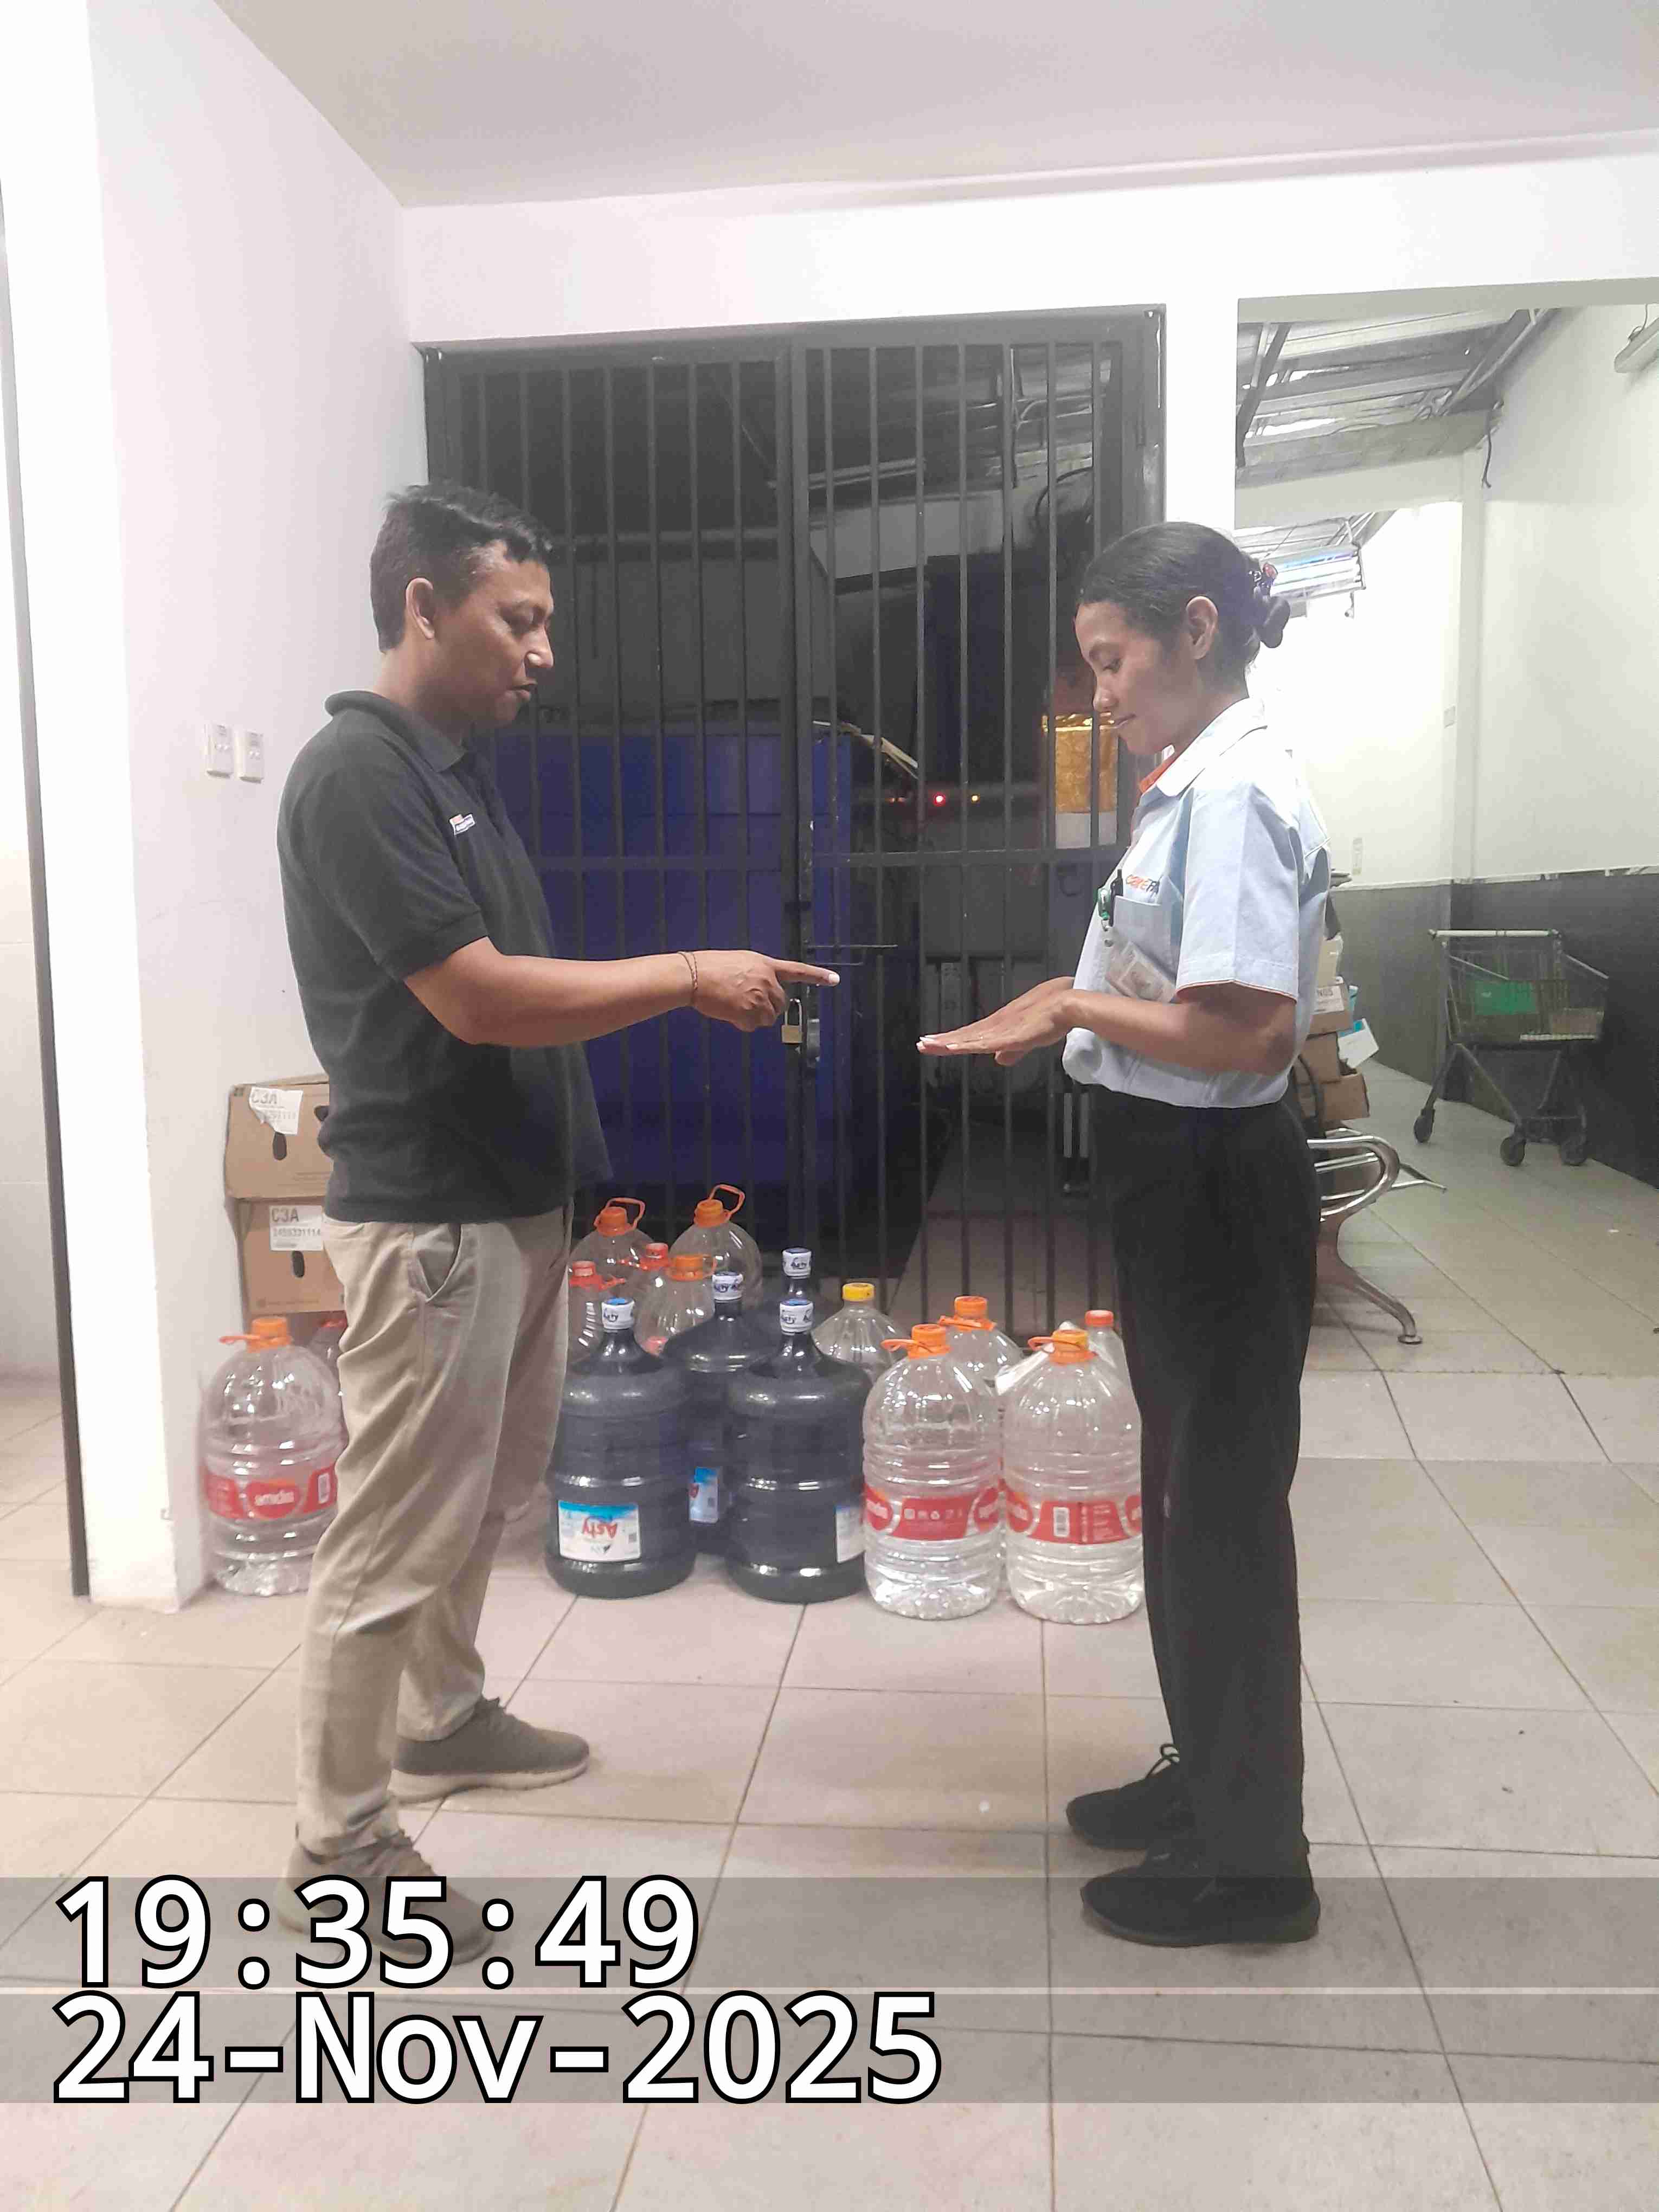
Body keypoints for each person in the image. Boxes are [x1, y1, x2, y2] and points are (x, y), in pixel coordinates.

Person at [275, 483, 837, 1959]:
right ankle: (339, 1839)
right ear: (422, 607)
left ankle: (443, 1718)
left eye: (544, 623)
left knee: (477, 1503)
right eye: (515, 620)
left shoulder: (449, 772)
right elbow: (475, 996)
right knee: (395, 1530)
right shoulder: (358, 773)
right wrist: (684, 974)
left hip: (510, 1204)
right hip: (435, 1218)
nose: (542, 652)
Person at [921, 522, 1328, 1947]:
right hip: (1178, 1173)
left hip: (1215, 1177)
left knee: (1219, 1513)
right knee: (1186, 1497)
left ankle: (1254, 1866)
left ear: (1195, 631)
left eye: (1111, 661)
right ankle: (1206, 1778)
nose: (1098, 695)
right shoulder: (1194, 786)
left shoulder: (1236, 793)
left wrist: (1068, 1004)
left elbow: (1246, 1030)